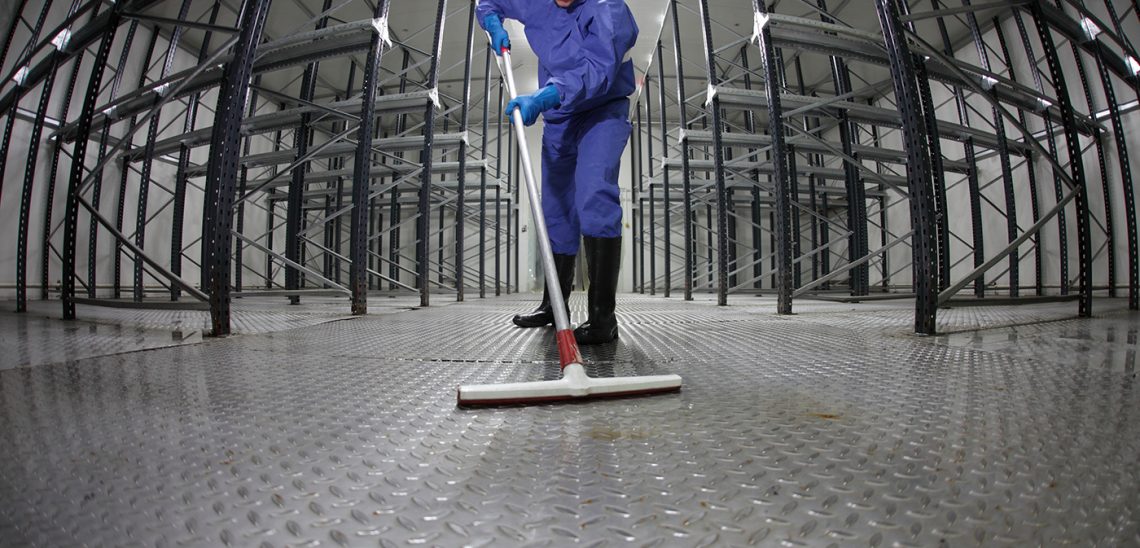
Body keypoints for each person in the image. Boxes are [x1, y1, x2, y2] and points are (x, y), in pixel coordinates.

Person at [477, 0, 637, 344]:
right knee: (555, 209)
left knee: (594, 194)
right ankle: (553, 306)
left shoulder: (608, 9)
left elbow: (599, 70)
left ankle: (602, 319)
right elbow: (490, 1)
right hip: (560, 117)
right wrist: (491, 20)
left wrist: (545, 96)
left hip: (602, 109)